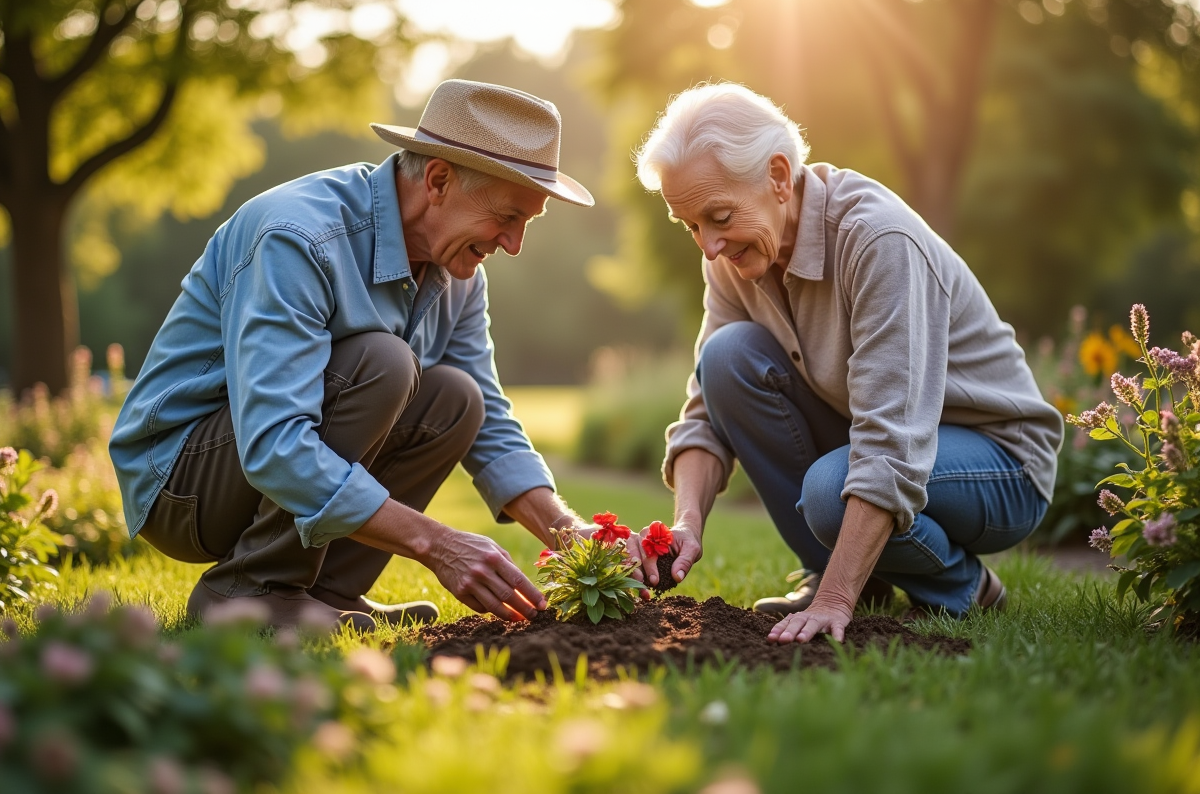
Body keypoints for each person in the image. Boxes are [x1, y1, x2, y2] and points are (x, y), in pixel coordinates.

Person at [109, 79, 597, 631]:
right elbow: (273, 442)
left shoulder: (459, 272)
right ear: (438, 179)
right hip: (182, 481)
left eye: (526, 224)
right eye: (508, 217)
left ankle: (323, 592)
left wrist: (572, 535)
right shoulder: (299, 236)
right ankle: (247, 592)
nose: (513, 244)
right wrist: (435, 543)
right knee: (384, 363)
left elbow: (485, 416)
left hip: (252, 465)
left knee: (456, 399)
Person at [624, 83, 1063, 643]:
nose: (708, 247)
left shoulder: (878, 240)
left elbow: (892, 444)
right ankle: (866, 580)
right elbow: (705, 413)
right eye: (691, 226)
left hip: (999, 463)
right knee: (726, 357)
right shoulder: (733, 257)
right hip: (888, 442)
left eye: (719, 216)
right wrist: (687, 521)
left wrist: (835, 601)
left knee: (833, 490)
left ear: (779, 177)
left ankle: (960, 585)